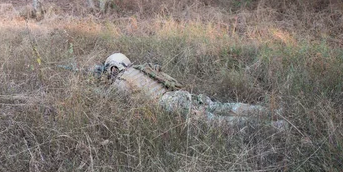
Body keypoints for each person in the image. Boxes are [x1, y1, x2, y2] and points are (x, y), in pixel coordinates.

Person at [101, 53, 286, 128]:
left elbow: (108, 101)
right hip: (180, 95)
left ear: (113, 68)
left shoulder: (122, 80)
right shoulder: (142, 68)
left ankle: (275, 127)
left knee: (220, 122)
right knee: (225, 107)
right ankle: (273, 113)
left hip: (171, 104)